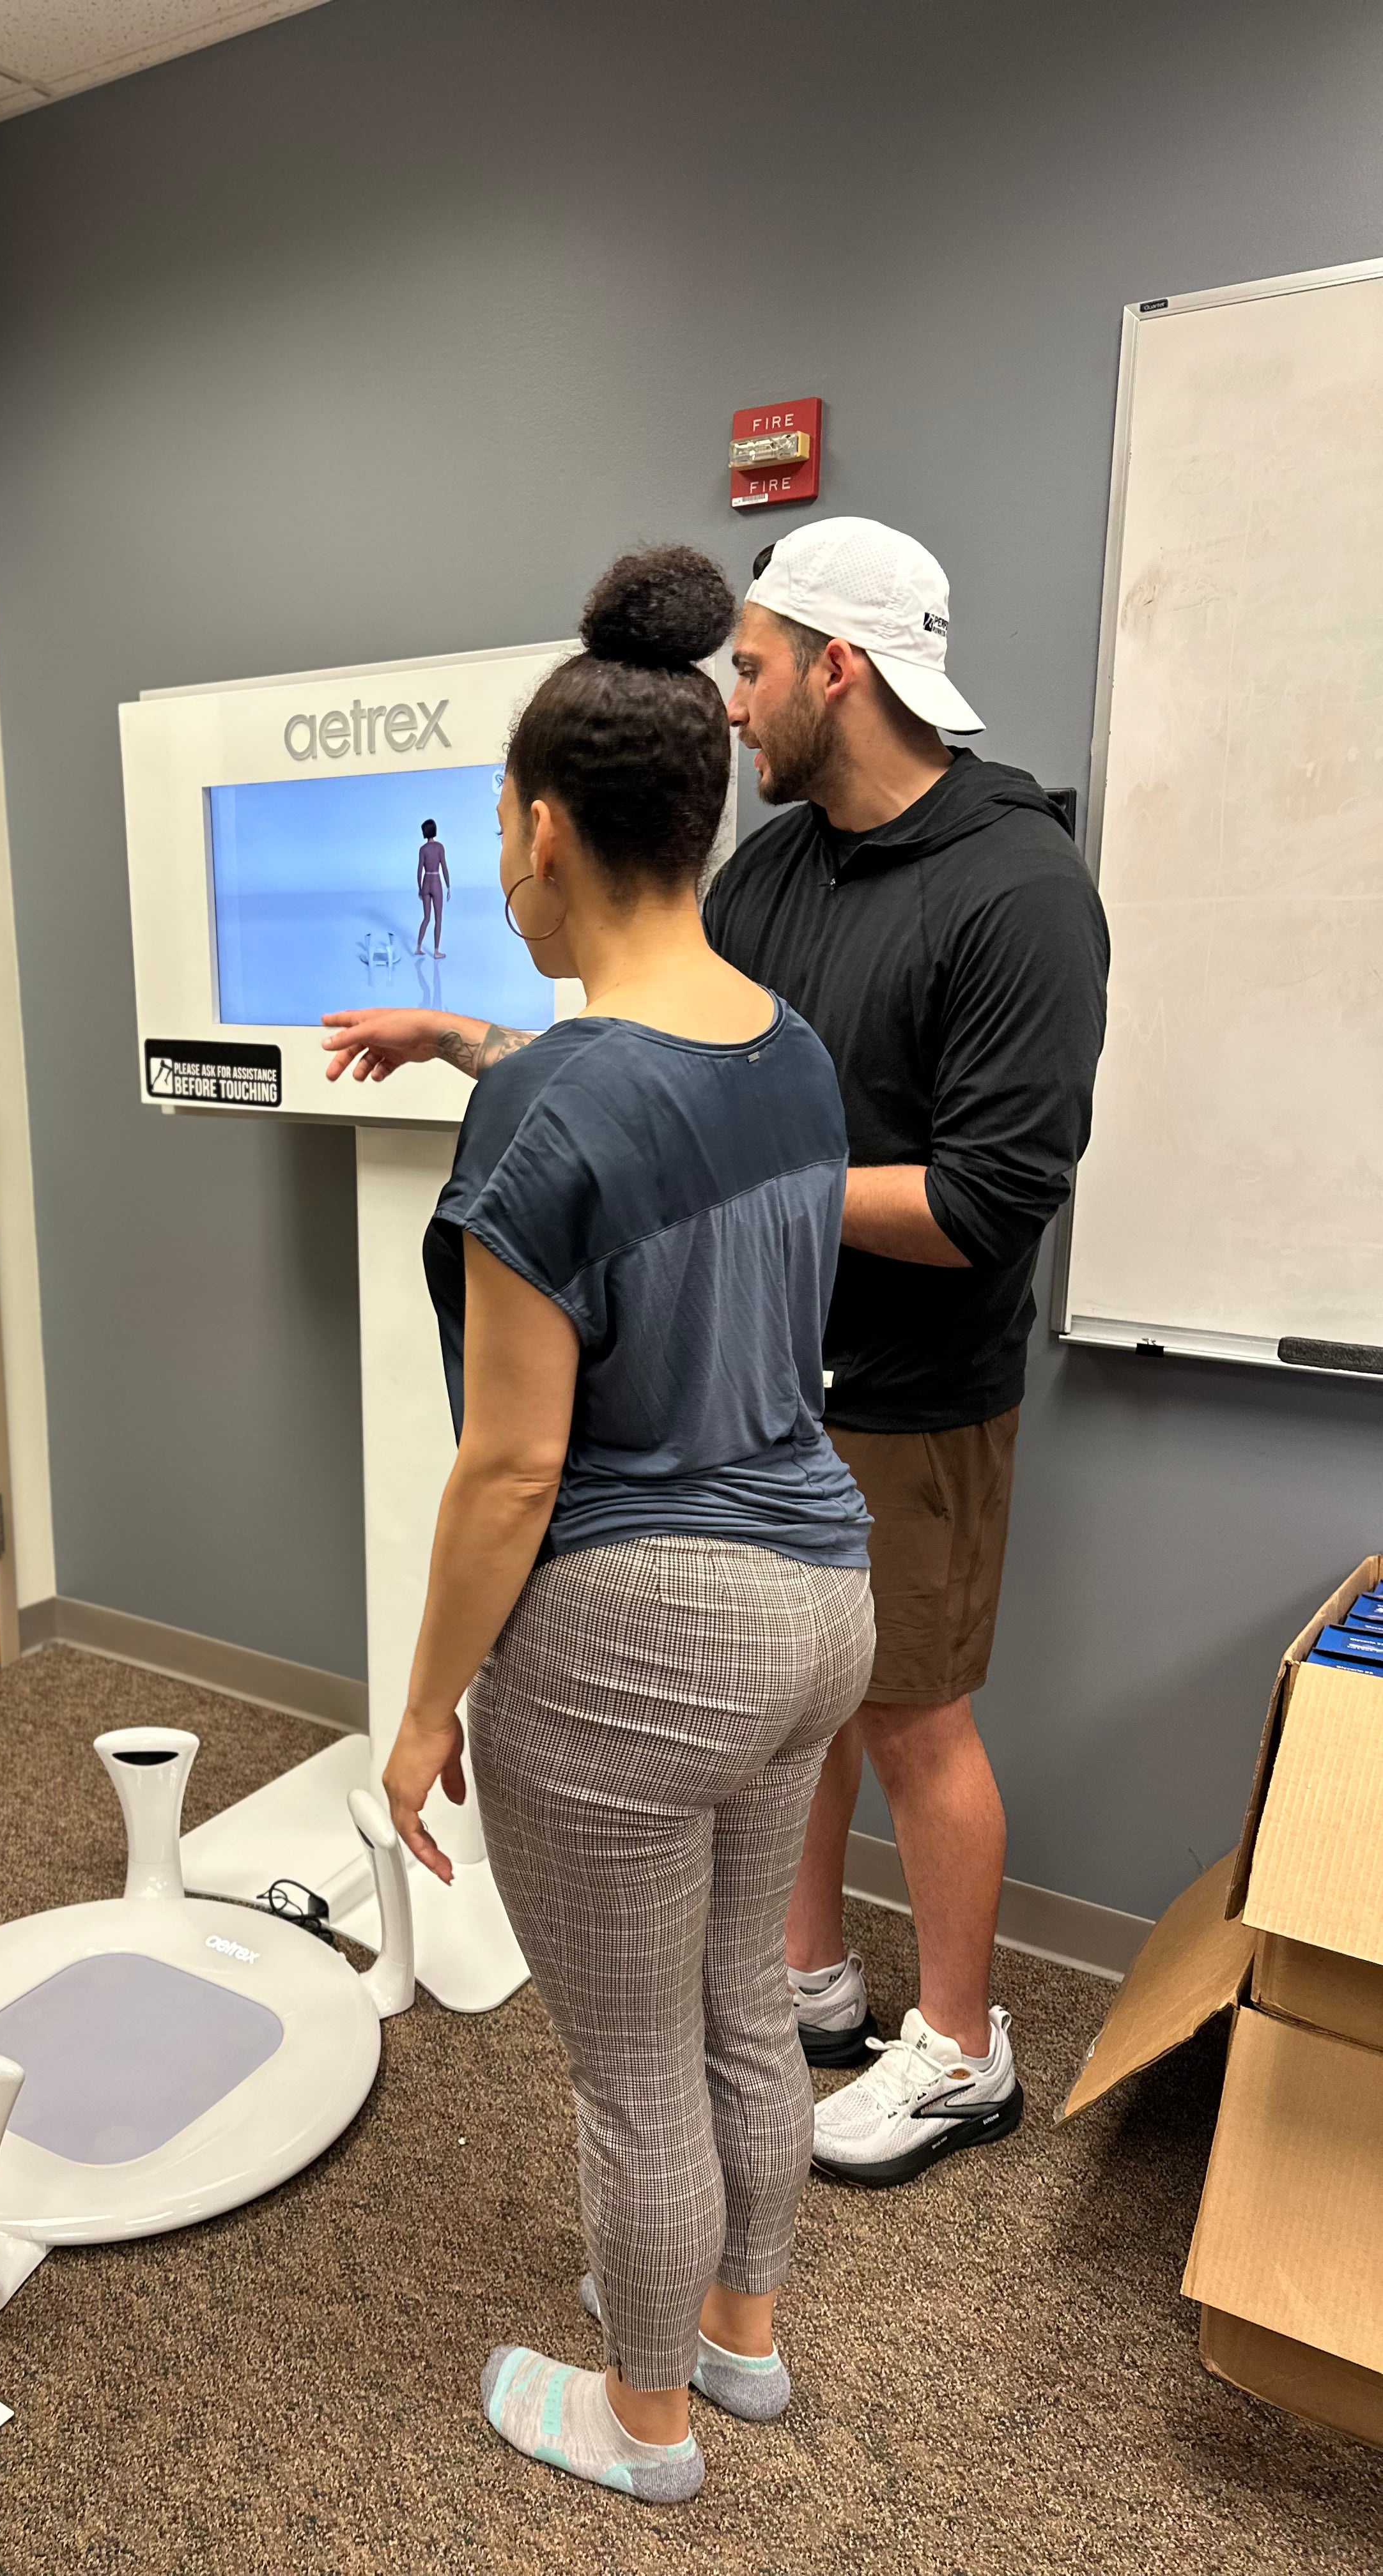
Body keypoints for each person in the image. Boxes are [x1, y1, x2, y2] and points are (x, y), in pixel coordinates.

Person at [325, 516, 1109, 2193]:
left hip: (915, 1390)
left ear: (841, 668)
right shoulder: (772, 873)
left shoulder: (1019, 890)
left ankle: (960, 2047)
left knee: (915, 1720)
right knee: (800, 1734)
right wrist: (470, 1040)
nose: (728, 702)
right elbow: (655, 1060)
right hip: (771, 1385)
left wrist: (727, 1187)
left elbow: (987, 1201)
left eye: (751, 668)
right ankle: (806, 1980)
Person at [375, 544, 873, 2506]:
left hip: (637, 1643)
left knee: (634, 2069)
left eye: (507, 832)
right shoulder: (787, 1047)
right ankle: (741, 2338)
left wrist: (427, 1708)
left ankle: (644, 2421)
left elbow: (510, 1474)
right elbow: (643, 1113)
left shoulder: (551, 1114)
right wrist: (470, 1047)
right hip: (816, 1603)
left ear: (542, 832)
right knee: (745, 2003)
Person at [415, 818, 449, 956]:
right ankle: (436, 951)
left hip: (426, 882)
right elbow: (444, 868)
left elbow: (419, 871)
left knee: (426, 918)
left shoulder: (423, 849)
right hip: (436, 882)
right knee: (438, 918)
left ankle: (418, 948)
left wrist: (420, 888)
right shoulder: (440, 847)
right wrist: (448, 886)